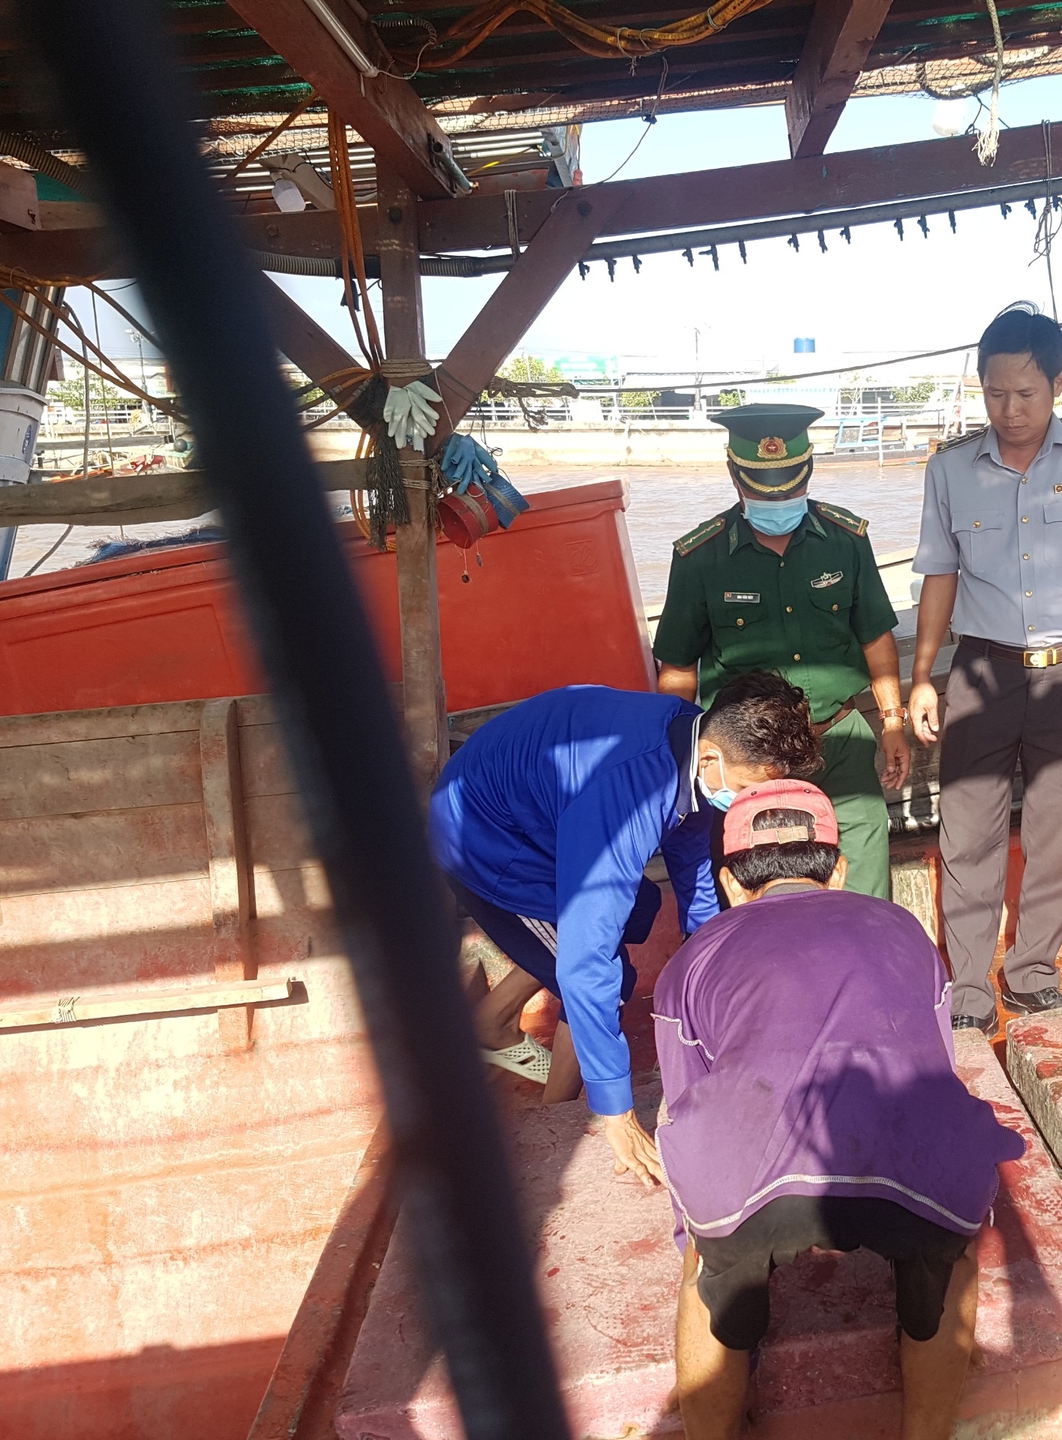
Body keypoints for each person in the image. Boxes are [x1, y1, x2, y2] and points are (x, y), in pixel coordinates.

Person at [655, 780, 1024, 1440]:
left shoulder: (689, 962)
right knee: (946, 1265)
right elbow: (937, 1068)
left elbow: (687, 1101)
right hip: (912, 1159)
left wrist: (703, 1245)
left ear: (730, 884)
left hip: (746, 1176)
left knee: (709, 1279)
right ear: (841, 871)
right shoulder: (903, 929)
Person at [427, 674, 821, 1183]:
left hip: (544, 814)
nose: (748, 804)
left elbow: (693, 859)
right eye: (746, 791)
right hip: (488, 841)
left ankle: (492, 1022)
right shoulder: (630, 795)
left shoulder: (694, 741)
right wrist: (619, 1111)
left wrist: (710, 954)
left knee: (639, 906)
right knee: (603, 972)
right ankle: (560, 1122)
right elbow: (586, 963)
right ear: (708, 760)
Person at [908, 304, 1062, 1036]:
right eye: (994, 394)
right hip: (981, 674)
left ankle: (1032, 978)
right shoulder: (951, 470)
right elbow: (939, 579)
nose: (1010, 410)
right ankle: (967, 995)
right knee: (968, 835)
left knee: (1057, 836)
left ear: (1058, 384)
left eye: (1026, 393)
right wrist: (924, 674)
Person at [653, 402, 910, 901]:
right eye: (761, 485)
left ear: (809, 469)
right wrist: (687, 764)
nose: (781, 497)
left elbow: (876, 637)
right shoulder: (698, 557)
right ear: (734, 475)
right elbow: (678, 668)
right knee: (758, 892)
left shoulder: (846, 540)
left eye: (792, 484)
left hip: (841, 740)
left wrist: (892, 722)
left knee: (865, 886)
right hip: (750, 757)